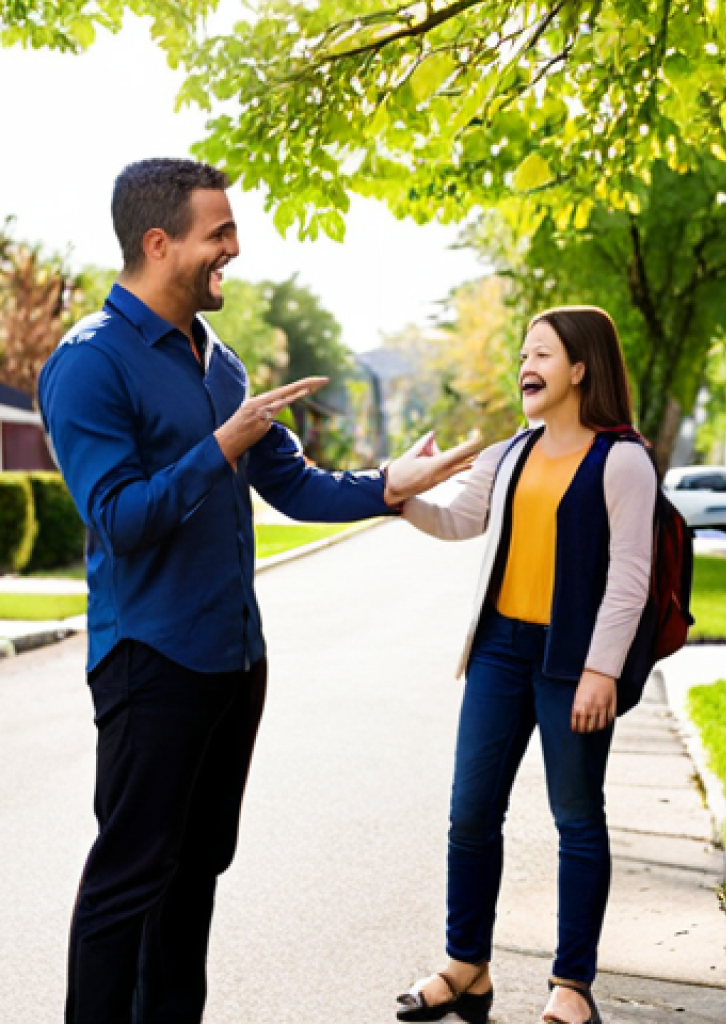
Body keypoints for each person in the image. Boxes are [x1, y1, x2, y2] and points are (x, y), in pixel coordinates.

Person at [37, 157, 479, 1024]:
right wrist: (222, 442)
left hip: (235, 662)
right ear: (159, 243)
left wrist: (394, 482)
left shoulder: (222, 363)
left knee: (196, 871)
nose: (234, 248)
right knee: (129, 880)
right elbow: (119, 517)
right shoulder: (89, 363)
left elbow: (295, 483)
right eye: (219, 233)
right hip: (148, 661)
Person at [396, 306, 657, 1024]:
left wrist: (602, 670)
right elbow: (458, 519)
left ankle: (571, 986)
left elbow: (631, 576)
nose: (525, 366)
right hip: (500, 651)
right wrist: (401, 494)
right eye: (521, 354)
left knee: (576, 817)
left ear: (580, 369)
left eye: (541, 353)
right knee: (470, 813)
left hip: (572, 661)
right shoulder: (512, 453)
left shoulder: (623, 458)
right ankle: (466, 966)